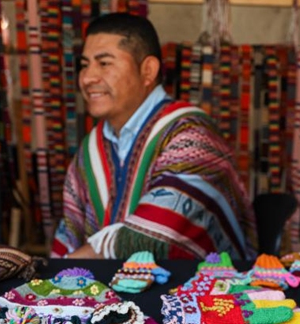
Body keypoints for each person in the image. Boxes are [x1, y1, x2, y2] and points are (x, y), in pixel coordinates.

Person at [51, 13, 257, 260]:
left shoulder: (192, 134)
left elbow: (160, 229)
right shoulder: (92, 147)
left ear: (147, 70)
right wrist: (56, 275)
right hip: (113, 282)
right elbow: (69, 232)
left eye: (104, 63)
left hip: (205, 282)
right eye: (85, 65)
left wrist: (69, 265)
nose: (87, 78)